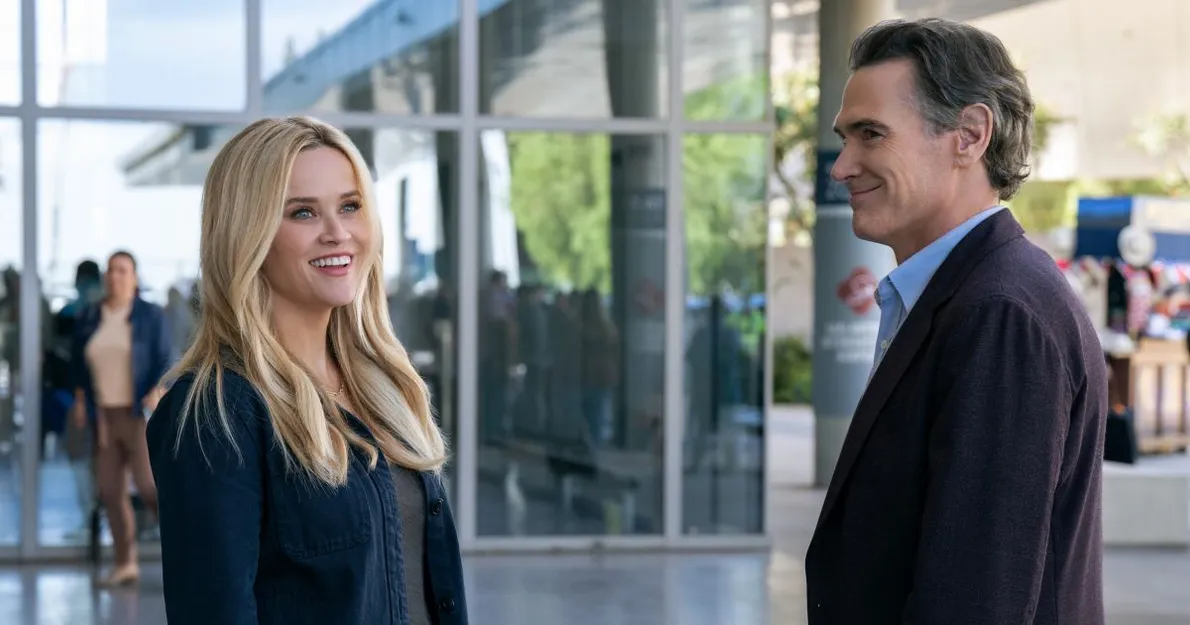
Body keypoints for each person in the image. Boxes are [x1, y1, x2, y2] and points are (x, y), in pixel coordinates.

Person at [805, 18, 1108, 625]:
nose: (841, 167)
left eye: (871, 134)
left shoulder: (1000, 314)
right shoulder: (969, 294)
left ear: (969, 136)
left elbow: (976, 598)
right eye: (845, 138)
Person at [145, 116, 467, 625]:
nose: (337, 233)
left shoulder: (385, 385)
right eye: (303, 213)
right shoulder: (217, 413)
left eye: (350, 206)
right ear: (248, 235)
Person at [70, 250, 172, 586]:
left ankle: (183, 554)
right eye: (111, 270)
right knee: (110, 491)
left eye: (123, 270)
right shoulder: (90, 316)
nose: (115, 276)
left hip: (137, 414)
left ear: (135, 277)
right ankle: (126, 562)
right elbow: (79, 366)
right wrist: (82, 402)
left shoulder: (150, 315)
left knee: (148, 487)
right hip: (104, 417)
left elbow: (164, 359)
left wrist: (157, 390)